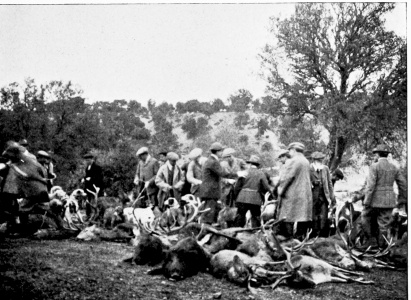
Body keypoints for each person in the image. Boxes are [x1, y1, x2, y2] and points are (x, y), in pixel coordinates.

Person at [361, 144, 407, 249]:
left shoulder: (374, 166)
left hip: (374, 201)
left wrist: (366, 201)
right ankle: (382, 247)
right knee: (384, 225)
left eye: (375, 154)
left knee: (365, 217)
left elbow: (371, 186)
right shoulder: (394, 167)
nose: (374, 156)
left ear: (378, 154)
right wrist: (401, 201)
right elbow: (404, 185)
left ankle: (371, 241)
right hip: (389, 201)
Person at [276, 142, 313, 239]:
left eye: (289, 151)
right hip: (304, 196)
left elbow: (287, 178)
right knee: (302, 221)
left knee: (286, 219)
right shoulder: (306, 161)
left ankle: (287, 243)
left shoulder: (293, 161)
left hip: (292, 196)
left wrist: (280, 191)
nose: (289, 153)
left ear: (293, 150)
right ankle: (299, 243)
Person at [233, 155, 272, 227]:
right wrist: (271, 197)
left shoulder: (244, 172)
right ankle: (255, 233)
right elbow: (266, 187)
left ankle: (237, 232)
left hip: (242, 198)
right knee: (256, 217)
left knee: (240, 216)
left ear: (250, 164)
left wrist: (236, 198)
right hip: (255, 199)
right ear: (258, 165)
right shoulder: (261, 174)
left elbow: (237, 187)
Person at [199, 142, 233, 224]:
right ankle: (205, 232)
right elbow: (223, 173)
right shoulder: (213, 162)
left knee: (211, 213)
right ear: (217, 152)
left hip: (208, 191)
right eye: (221, 151)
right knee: (208, 216)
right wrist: (238, 174)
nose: (222, 153)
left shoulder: (210, 160)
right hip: (211, 192)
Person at [309, 151, 335, 237]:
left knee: (323, 217)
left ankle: (322, 236)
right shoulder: (309, 169)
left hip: (324, 197)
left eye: (321, 160)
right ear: (314, 160)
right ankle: (313, 235)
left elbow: (329, 183)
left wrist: (332, 197)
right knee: (314, 218)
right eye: (318, 160)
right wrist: (313, 183)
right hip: (313, 197)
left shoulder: (325, 169)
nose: (320, 162)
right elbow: (306, 183)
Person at [82, 153, 104, 220]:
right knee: (88, 201)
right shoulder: (87, 168)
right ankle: (88, 215)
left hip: (96, 187)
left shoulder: (97, 167)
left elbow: (99, 177)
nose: (87, 162)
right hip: (88, 187)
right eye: (86, 160)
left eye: (88, 160)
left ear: (92, 159)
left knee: (96, 202)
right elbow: (87, 176)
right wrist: (84, 179)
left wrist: (91, 178)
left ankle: (98, 216)